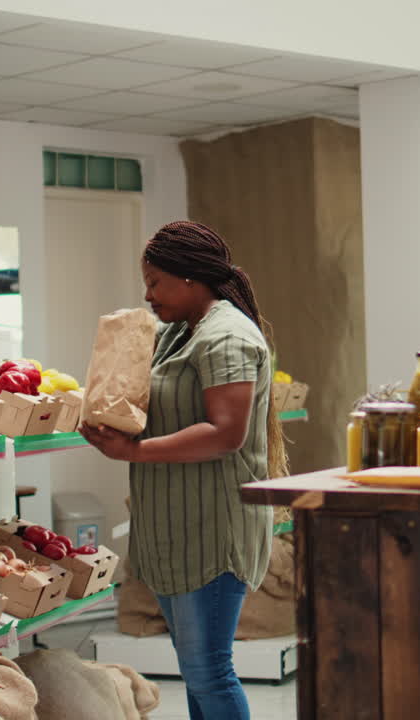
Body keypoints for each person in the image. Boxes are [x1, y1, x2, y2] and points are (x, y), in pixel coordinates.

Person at [80, 220, 287, 720]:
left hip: (211, 531)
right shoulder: (178, 332)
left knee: (209, 671)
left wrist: (132, 452)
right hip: (176, 527)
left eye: (155, 282)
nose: (148, 294)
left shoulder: (227, 337)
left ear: (191, 277)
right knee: (197, 671)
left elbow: (224, 433)